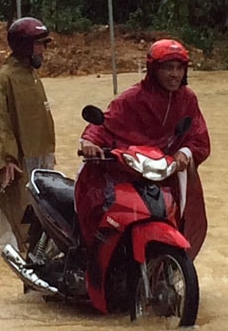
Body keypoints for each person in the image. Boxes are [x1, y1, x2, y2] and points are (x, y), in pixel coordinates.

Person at [76, 38, 210, 260]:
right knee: (99, 207)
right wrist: (89, 143)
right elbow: (104, 124)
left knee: (185, 214)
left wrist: (185, 153)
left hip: (165, 173)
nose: (174, 74)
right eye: (168, 68)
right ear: (154, 70)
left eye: (179, 68)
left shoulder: (187, 99)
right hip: (126, 171)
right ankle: (91, 256)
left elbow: (198, 135)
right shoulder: (133, 97)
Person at [0, 17, 56, 257]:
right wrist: (6, 159)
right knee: (20, 214)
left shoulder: (31, 75)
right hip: (18, 161)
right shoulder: (4, 79)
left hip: (39, 158)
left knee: (39, 212)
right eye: (40, 44)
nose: (43, 50)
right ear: (24, 46)